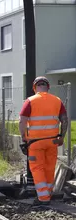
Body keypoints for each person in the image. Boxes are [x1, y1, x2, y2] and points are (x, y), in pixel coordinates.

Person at [19, 76, 68, 205]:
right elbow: (64, 120)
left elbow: (22, 121)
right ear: (48, 87)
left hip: (35, 142)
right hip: (52, 141)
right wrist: (61, 137)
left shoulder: (30, 101)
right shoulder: (57, 101)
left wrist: (24, 137)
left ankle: (43, 197)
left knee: (37, 168)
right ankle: (48, 192)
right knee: (49, 167)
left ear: (34, 87)